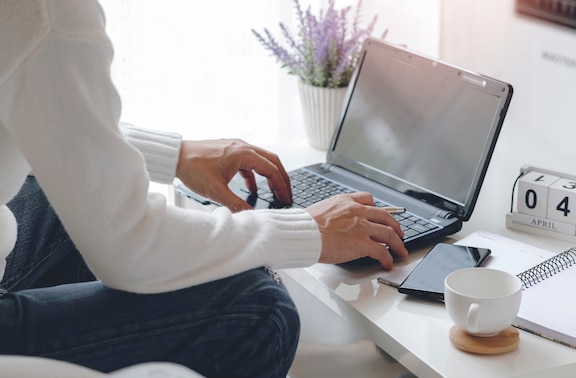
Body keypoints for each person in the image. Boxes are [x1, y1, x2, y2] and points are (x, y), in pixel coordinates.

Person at [0, 1, 408, 377]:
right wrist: (307, 231)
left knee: (64, 200)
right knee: (260, 310)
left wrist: (177, 155)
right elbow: (128, 248)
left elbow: (53, 122)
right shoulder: (48, 12)